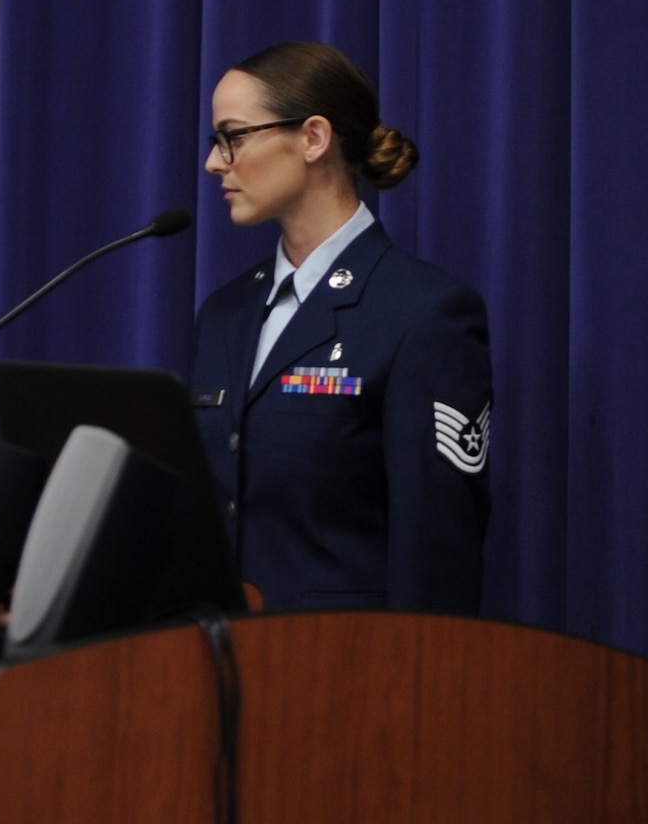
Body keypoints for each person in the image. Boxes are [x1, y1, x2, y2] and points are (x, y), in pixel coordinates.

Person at [190, 40, 492, 614]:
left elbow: (437, 546)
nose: (214, 162)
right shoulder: (224, 314)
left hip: (349, 674)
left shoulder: (423, 313)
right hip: (218, 668)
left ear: (312, 138)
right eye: (216, 141)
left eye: (234, 136)